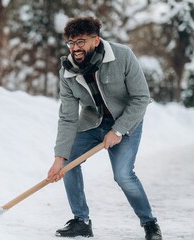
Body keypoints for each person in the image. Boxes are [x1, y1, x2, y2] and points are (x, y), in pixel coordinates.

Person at [46, 17, 162, 240]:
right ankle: (81, 221)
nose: (75, 48)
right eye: (71, 43)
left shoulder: (122, 56)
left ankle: (150, 224)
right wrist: (60, 157)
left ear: (96, 40)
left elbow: (141, 98)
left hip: (127, 121)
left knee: (123, 175)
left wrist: (118, 130)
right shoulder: (68, 71)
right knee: (68, 164)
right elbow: (68, 118)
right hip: (93, 123)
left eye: (80, 42)